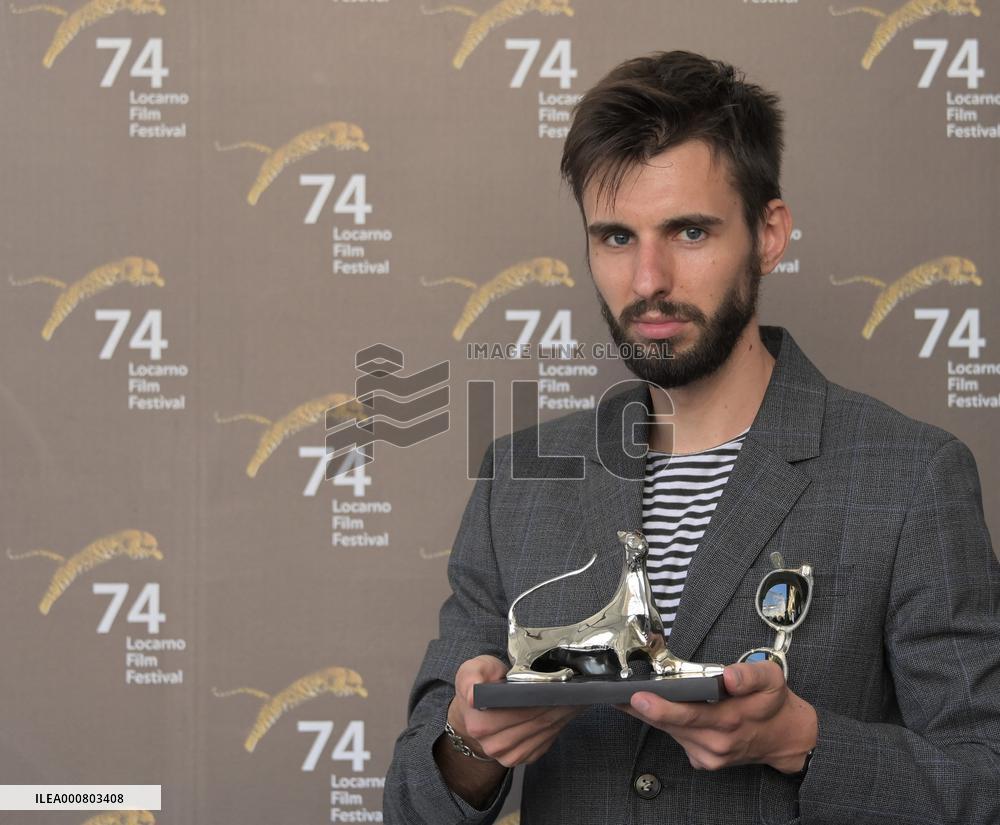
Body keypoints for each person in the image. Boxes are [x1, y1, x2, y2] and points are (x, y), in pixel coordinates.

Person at [384, 51, 1000, 824]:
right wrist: (472, 740)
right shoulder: (522, 479)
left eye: (689, 231)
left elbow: (985, 781)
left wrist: (803, 741)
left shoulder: (910, 477)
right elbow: (413, 800)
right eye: (615, 237)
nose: (648, 279)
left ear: (768, 234)